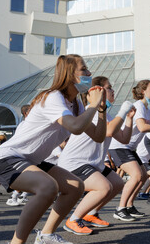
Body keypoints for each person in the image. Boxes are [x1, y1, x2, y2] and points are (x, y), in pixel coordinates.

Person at [0, 54, 106, 244]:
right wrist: (92, 106)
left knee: (74, 186)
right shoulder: (53, 97)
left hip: (30, 159)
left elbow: (98, 136)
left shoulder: (76, 105)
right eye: (84, 69)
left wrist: (101, 109)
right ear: (69, 74)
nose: (89, 74)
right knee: (47, 187)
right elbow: (75, 127)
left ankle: (46, 236)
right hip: (8, 158)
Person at [58, 76, 136, 235]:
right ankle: (73, 219)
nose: (113, 90)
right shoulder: (91, 112)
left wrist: (128, 119)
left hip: (92, 163)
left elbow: (124, 139)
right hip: (75, 163)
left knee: (117, 183)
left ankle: (91, 213)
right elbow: (109, 131)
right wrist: (123, 110)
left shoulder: (106, 115)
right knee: (104, 187)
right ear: (97, 92)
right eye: (109, 87)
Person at [108, 80, 150, 220]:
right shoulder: (138, 106)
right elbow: (143, 127)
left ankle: (129, 205)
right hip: (119, 146)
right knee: (137, 175)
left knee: (143, 176)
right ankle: (120, 208)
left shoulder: (147, 109)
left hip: (129, 148)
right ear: (143, 91)